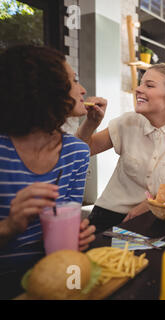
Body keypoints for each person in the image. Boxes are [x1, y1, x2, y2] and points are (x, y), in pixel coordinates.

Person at [0, 45, 103, 293]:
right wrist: (10, 226)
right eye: (73, 82)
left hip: (53, 272)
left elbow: (64, 231)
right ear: (45, 92)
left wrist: (74, 238)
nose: (83, 90)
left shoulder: (77, 153)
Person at [76, 63, 165, 233]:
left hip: (159, 212)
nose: (138, 89)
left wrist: (150, 204)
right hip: (109, 212)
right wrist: (91, 123)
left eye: (149, 85)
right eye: (140, 83)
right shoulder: (128, 122)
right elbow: (80, 152)